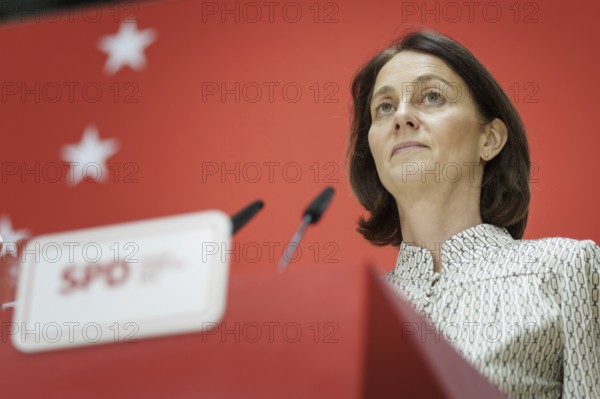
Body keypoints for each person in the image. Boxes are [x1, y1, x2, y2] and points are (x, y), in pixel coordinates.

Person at [347, 29, 599, 398]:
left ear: (489, 139)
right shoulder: (359, 310)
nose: (401, 117)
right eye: (384, 107)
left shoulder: (565, 267)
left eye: (430, 97)